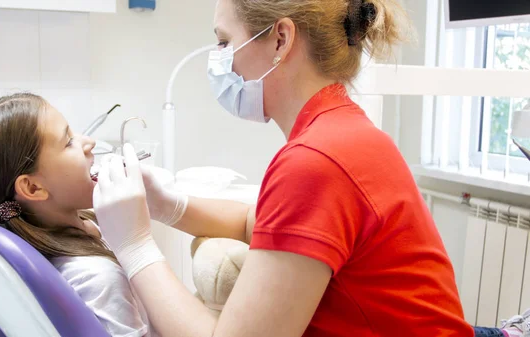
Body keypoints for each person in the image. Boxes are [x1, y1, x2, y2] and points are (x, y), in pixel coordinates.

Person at [92, 0, 475, 336]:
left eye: (225, 42)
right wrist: (165, 205)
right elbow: (253, 223)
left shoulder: (318, 159)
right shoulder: (339, 130)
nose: (219, 58)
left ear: (281, 39)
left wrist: (135, 247)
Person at [0, 93, 155, 337]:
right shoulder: (98, 278)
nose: (88, 142)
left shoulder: (74, 228)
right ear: (33, 188)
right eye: (68, 142)